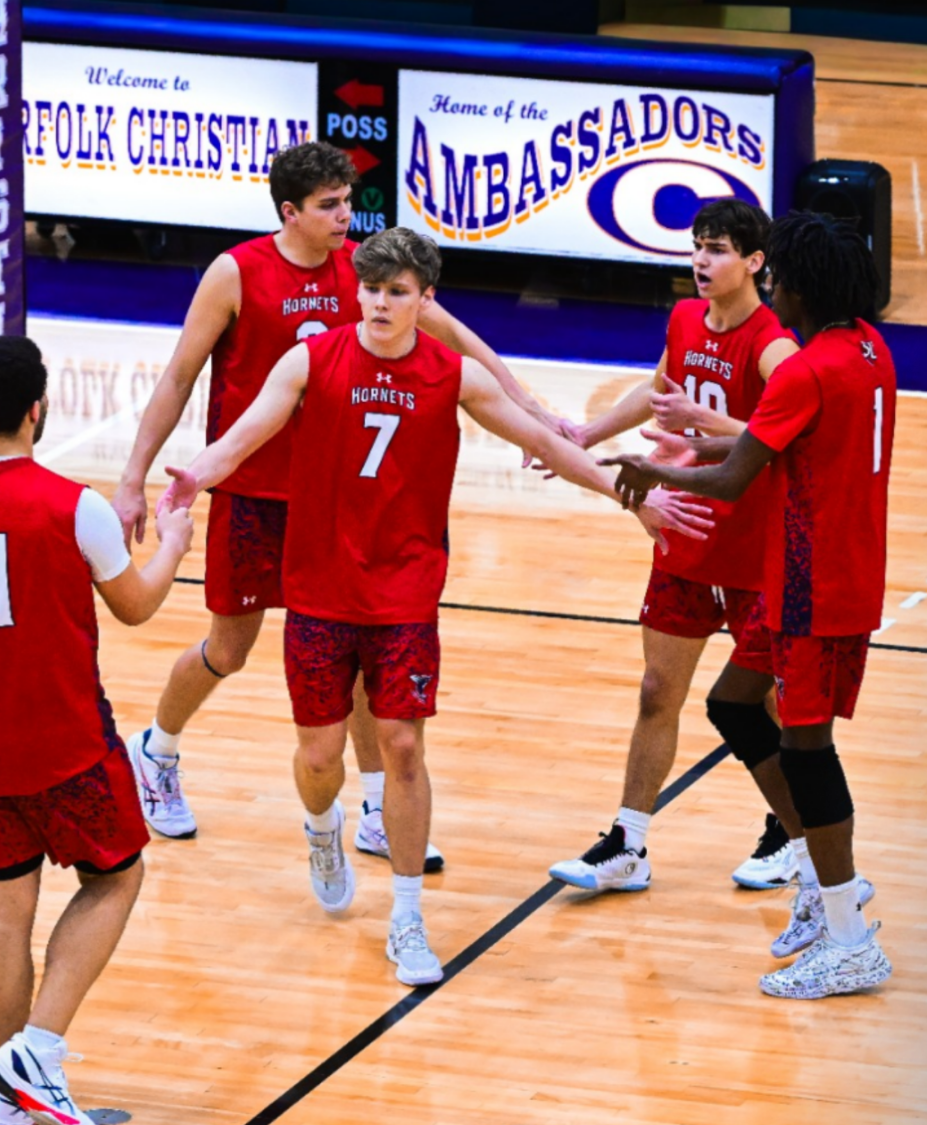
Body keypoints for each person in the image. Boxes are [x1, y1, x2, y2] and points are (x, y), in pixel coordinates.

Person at [159, 227, 708, 986]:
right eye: (372, 289)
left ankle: (408, 916)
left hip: (404, 592)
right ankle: (324, 825)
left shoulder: (452, 376)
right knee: (320, 760)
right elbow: (244, 435)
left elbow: (548, 450)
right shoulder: (311, 360)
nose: (381, 303)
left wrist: (627, 499)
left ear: (425, 299)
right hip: (319, 587)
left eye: (397, 291)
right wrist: (197, 477)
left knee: (405, 747)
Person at [111, 141, 561, 862]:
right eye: (330, 206)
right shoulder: (236, 272)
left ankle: (379, 807)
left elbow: (455, 336)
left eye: (348, 202)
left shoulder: (367, 271)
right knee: (229, 648)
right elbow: (178, 377)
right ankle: (156, 750)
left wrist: (531, 406)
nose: (345, 216)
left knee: (361, 656)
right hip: (255, 493)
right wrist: (135, 478)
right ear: (289, 211)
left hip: (337, 503)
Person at [0, 336, 193, 1124]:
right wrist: (172, 544)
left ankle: (14, 1106)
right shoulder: (73, 505)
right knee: (118, 875)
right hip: (67, 743)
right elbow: (137, 605)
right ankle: (40, 1052)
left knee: (4, 908)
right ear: (38, 407)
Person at [602, 211, 895, 999]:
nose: (772, 290)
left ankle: (849, 935)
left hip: (811, 583)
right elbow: (763, 447)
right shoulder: (870, 347)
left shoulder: (802, 369)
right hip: (846, 568)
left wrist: (657, 473)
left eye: (777, 278)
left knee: (808, 750)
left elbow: (734, 477)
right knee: (735, 706)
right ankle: (816, 882)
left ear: (797, 282)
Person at [547, 199, 813, 895]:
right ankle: (628, 842)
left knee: (767, 706)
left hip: (757, 550)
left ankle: (791, 829)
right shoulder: (686, 319)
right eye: (697, 246)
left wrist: (707, 423)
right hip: (687, 535)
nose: (701, 259)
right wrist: (588, 433)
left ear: (755, 261)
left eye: (718, 248)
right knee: (656, 689)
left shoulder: (773, 343)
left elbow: (791, 429)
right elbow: (659, 388)